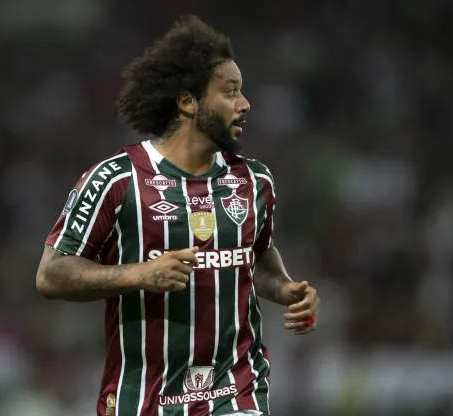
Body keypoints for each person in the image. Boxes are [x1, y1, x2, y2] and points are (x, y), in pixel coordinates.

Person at [36, 15, 320, 416]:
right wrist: (137, 275)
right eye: (230, 92)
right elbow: (51, 274)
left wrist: (289, 290)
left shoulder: (253, 180)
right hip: (142, 400)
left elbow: (254, 259)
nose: (245, 104)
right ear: (188, 101)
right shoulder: (117, 179)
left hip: (236, 391)